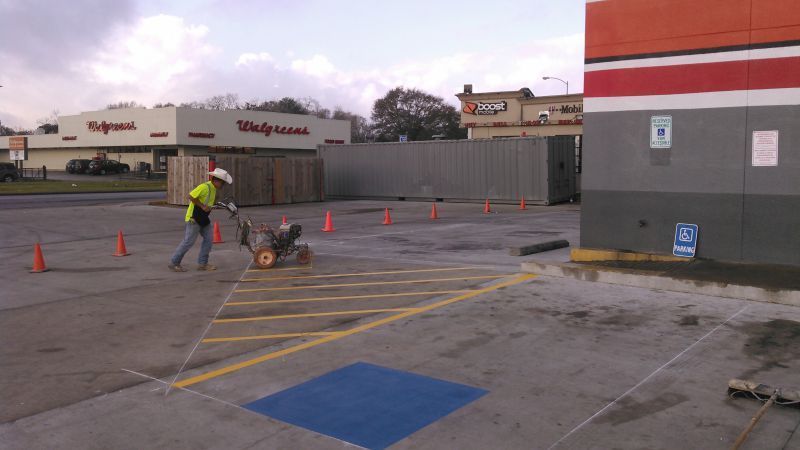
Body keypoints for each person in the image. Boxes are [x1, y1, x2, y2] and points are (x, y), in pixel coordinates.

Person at [168, 168, 233, 272]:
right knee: (188, 241)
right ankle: (174, 262)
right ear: (216, 180)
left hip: (203, 218)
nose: (223, 185)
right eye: (223, 183)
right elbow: (191, 196)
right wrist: (202, 206)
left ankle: (203, 264)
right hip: (194, 218)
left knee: (208, 239)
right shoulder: (205, 187)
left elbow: (209, 203)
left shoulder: (213, 190)